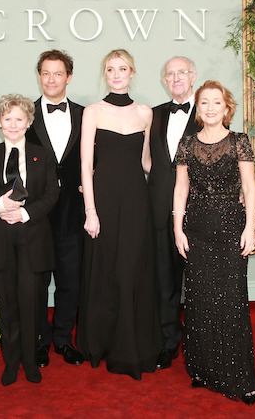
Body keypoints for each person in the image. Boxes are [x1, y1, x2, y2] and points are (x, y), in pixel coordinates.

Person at [77, 49, 163, 380]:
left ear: (132, 72)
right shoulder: (92, 111)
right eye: (110, 69)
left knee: (132, 271)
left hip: (136, 202)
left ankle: (133, 346)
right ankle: (103, 343)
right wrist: (91, 212)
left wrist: (180, 179)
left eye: (122, 68)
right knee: (106, 272)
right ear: (104, 73)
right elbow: (86, 165)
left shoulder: (145, 113)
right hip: (104, 202)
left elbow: (145, 162)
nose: (116, 74)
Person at [173, 80, 255, 405]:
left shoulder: (239, 142)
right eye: (204, 103)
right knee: (199, 301)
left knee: (232, 301)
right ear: (198, 108)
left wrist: (251, 228)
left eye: (216, 103)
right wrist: (177, 228)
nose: (210, 108)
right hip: (196, 230)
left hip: (231, 229)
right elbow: (180, 189)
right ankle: (203, 370)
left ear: (227, 108)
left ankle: (242, 379)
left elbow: (250, 189)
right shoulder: (186, 144)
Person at [0, 94, 60, 385]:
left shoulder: (43, 155)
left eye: (19, 119)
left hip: (33, 238)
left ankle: (31, 362)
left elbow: (51, 194)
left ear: (29, 122)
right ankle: (11, 363)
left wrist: (24, 214)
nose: (13, 124)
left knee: (32, 303)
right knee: (7, 305)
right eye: (7, 118)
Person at [25, 50, 86, 367]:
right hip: (36, 212)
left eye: (58, 73)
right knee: (36, 280)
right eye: (46, 73)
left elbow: (97, 161)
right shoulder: (24, 113)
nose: (51, 79)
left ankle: (63, 339)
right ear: (39, 76)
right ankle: (39, 341)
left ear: (69, 77)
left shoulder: (86, 114)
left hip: (73, 212)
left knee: (70, 280)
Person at [147, 56, 201, 370]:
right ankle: (168, 342)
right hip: (158, 210)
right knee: (164, 280)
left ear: (193, 77)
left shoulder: (209, 111)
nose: (176, 77)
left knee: (196, 281)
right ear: (164, 80)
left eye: (182, 72)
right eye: (170, 73)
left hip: (197, 211)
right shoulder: (152, 114)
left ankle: (199, 344)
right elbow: (146, 161)